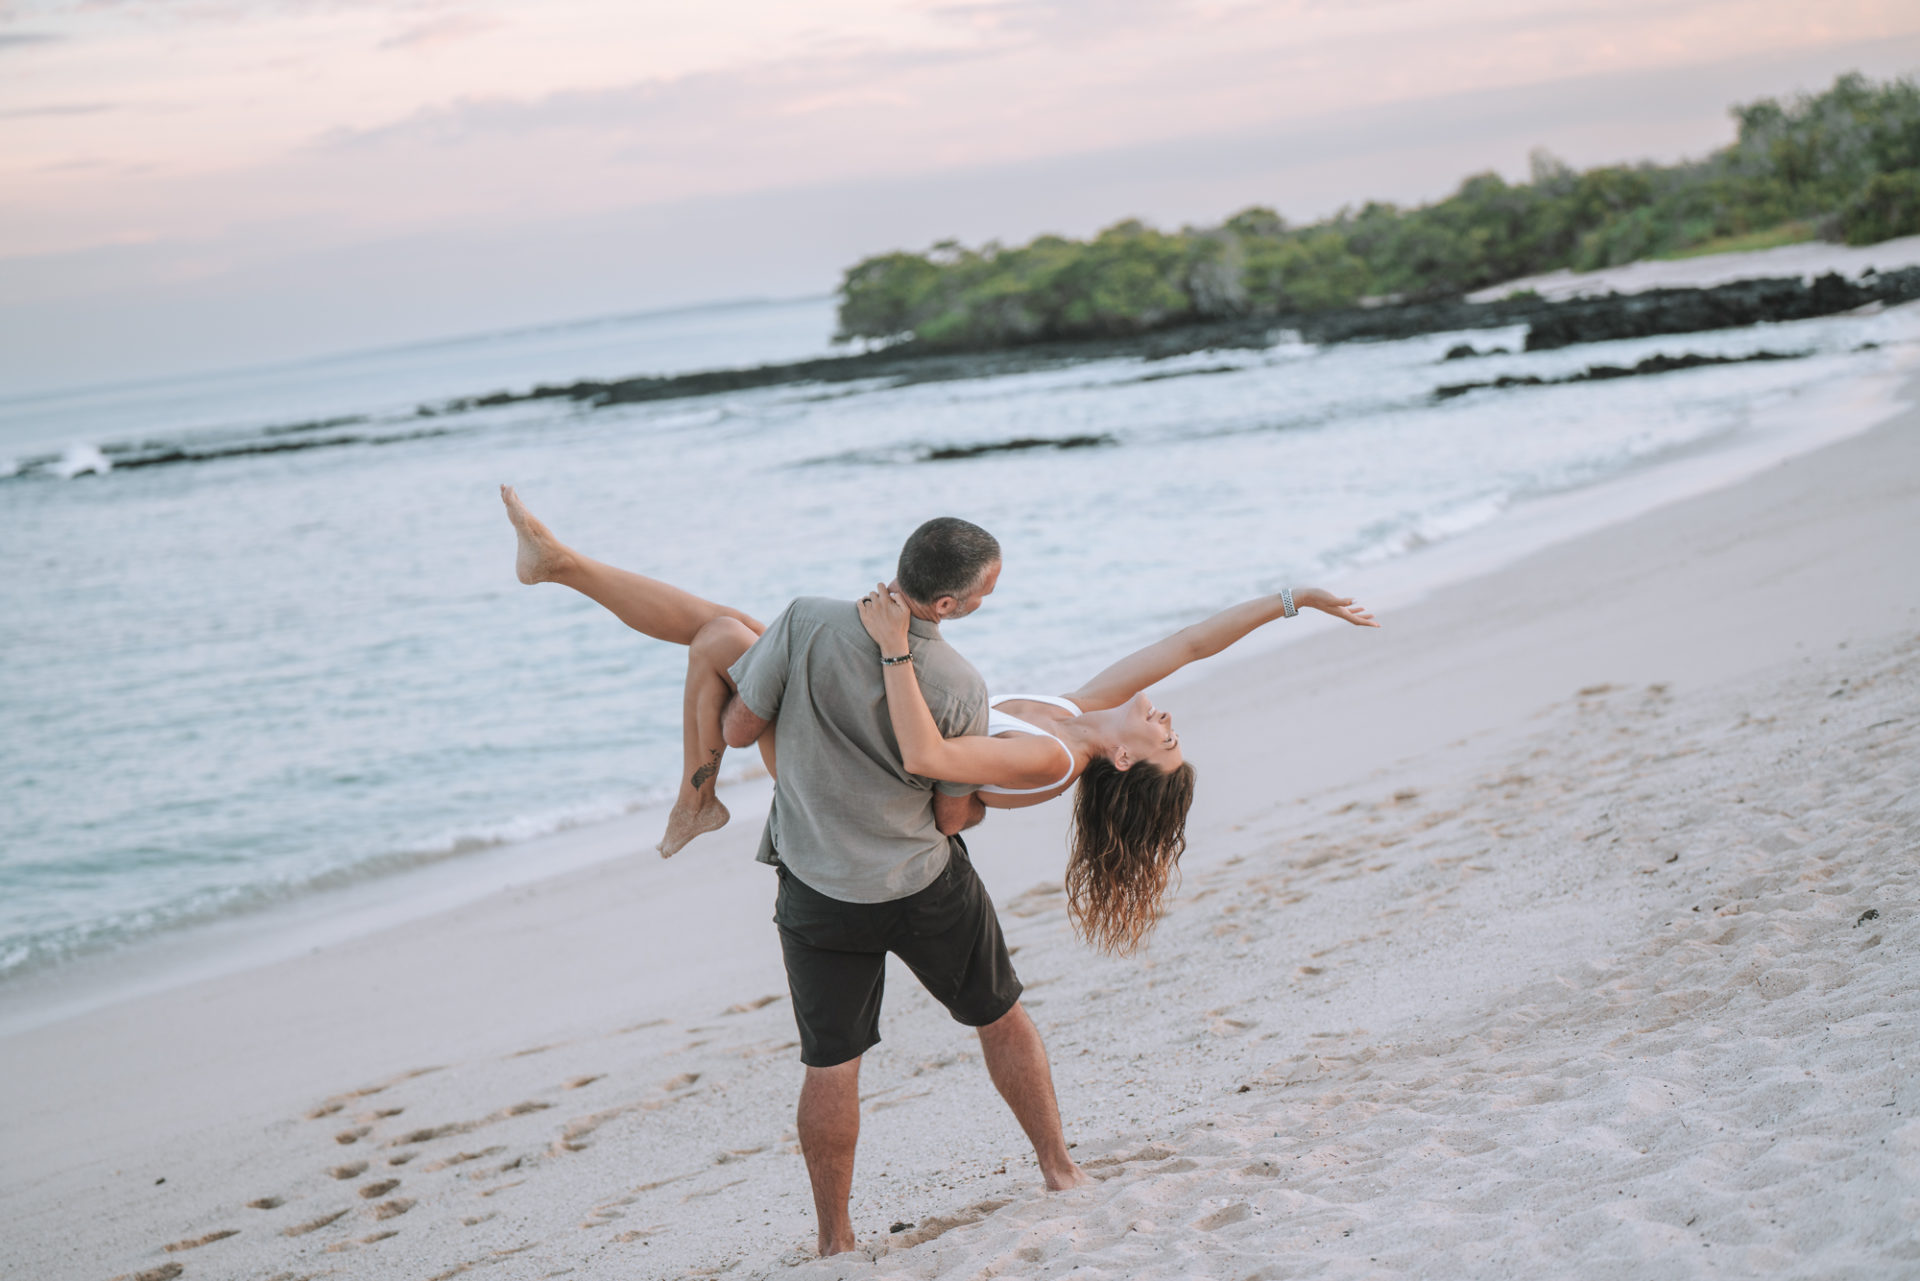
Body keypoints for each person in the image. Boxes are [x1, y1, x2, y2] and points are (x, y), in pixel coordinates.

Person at [505, 487, 1085, 1255]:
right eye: (986, 589)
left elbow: (742, 728)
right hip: (920, 885)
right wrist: (975, 809)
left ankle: (834, 1239)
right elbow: (949, 815)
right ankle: (1059, 1168)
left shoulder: (808, 616)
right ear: (948, 602)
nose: (987, 598)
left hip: (818, 890)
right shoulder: (960, 686)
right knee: (999, 1015)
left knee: (830, 1064)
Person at [499, 485, 1377, 951]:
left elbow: (934, 772)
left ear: (1124, 762)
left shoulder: (1050, 765)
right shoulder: (1077, 716)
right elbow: (1188, 642)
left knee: (724, 635)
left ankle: (699, 782)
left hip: (852, 765)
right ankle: (565, 565)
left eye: (1168, 738)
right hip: (866, 721)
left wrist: (889, 647)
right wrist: (1294, 597)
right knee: (723, 633)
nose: (1167, 716)